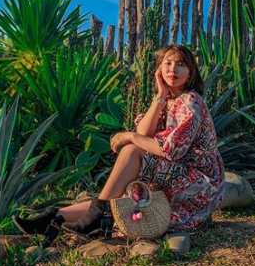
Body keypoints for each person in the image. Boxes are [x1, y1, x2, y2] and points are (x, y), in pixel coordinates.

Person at [13, 44, 225, 245]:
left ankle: (92, 218)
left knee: (132, 150)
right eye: (167, 63)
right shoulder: (166, 99)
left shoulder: (191, 102)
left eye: (181, 64)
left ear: (191, 72)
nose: (173, 69)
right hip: (174, 172)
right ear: (159, 69)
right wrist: (159, 96)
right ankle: (56, 216)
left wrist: (131, 137)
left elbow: (169, 150)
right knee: (116, 195)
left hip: (199, 180)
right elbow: (145, 132)